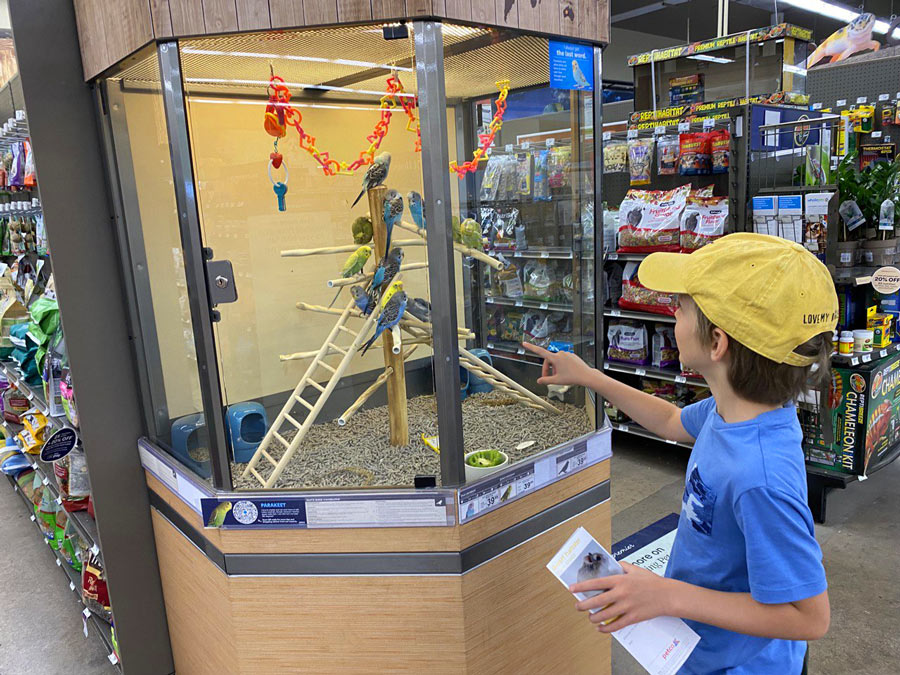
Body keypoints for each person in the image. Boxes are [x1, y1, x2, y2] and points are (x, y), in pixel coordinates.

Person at [524, 233, 834, 673]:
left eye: (683, 307)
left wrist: (667, 596)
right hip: (701, 645)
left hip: (739, 664)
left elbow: (810, 616)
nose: (673, 312)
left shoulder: (759, 477)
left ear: (717, 343)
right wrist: (591, 377)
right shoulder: (737, 409)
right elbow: (671, 421)